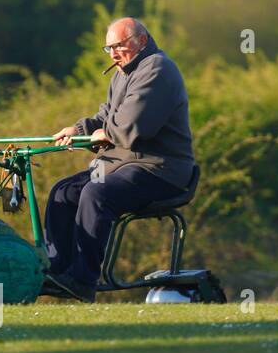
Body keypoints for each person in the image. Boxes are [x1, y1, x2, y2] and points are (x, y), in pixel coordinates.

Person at [45, 18, 196, 302]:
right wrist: (78, 130)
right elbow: (106, 117)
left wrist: (105, 133)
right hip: (121, 164)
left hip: (159, 169)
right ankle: (59, 272)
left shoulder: (157, 69)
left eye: (119, 45)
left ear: (141, 40)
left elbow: (133, 126)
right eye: (109, 48)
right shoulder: (122, 73)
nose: (114, 53)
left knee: (97, 193)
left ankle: (82, 279)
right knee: (63, 193)